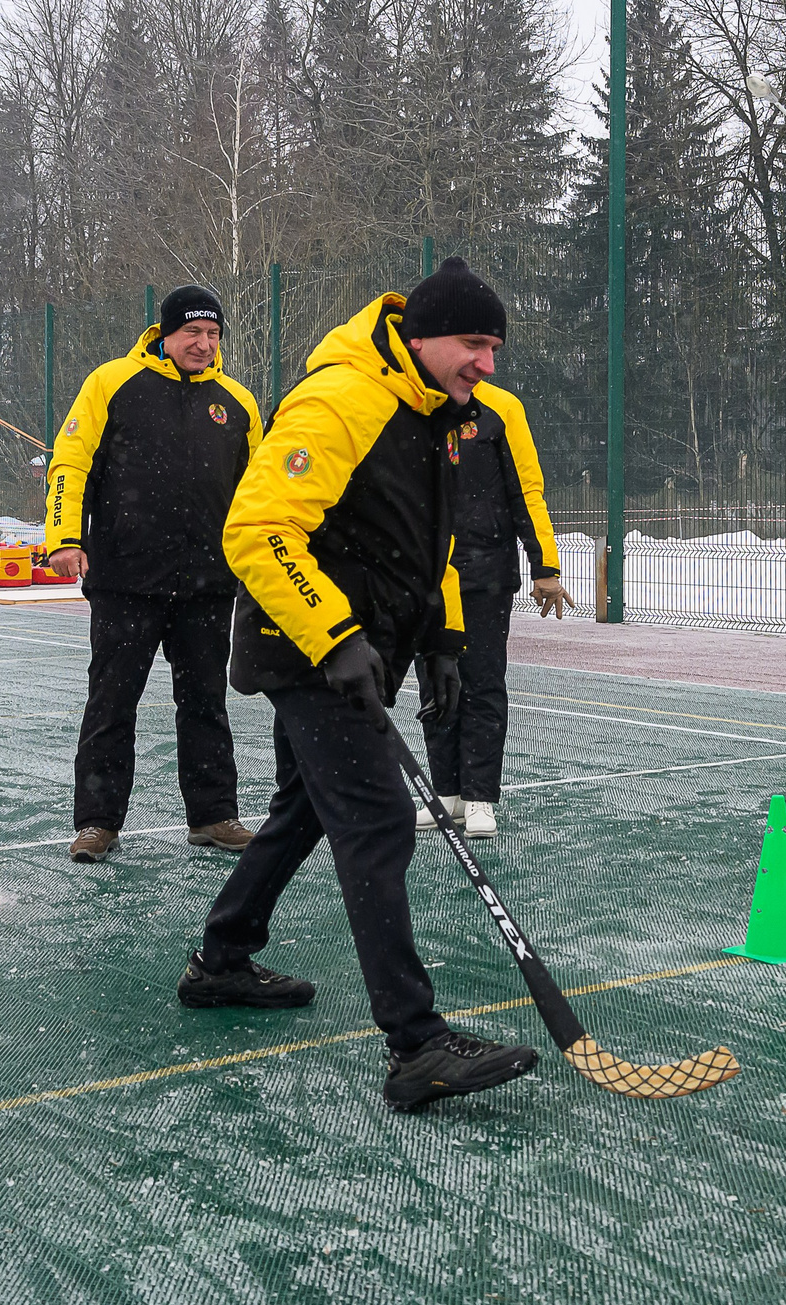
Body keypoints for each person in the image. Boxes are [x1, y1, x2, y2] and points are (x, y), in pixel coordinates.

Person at [178, 258, 542, 1112]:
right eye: (473, 344)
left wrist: (446, 640)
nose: (486, 364)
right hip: (306, 647)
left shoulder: (434, 410)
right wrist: (334, 636)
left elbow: (431, 542)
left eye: (494, 347)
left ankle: (222, 959)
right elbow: (259, 532)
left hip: (365, 646)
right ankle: (416, 1045)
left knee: (307, 806)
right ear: (421, 338)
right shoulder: (341, 401)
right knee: (377, 817)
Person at [46, 285, 262, 863]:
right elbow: (71, 463)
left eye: (213, 334)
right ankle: (97, 823)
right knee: (112, 703)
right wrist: (65, 540)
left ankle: (214, 817)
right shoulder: (112, 383)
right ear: (164, 334)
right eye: (193, 332)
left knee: (206, 704)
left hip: (209, 586)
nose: (204, 344)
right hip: (126, 582)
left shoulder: (237, 402)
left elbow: (259, 493)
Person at [412, 379, 573, 838]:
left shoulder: (502, 408)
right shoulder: (414, 404)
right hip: (426, 578)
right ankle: (447, 794)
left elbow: (527, 489)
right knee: (435, 684)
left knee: (481, 683)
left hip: (485, 577)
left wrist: (545, 566)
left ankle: (480, 797)